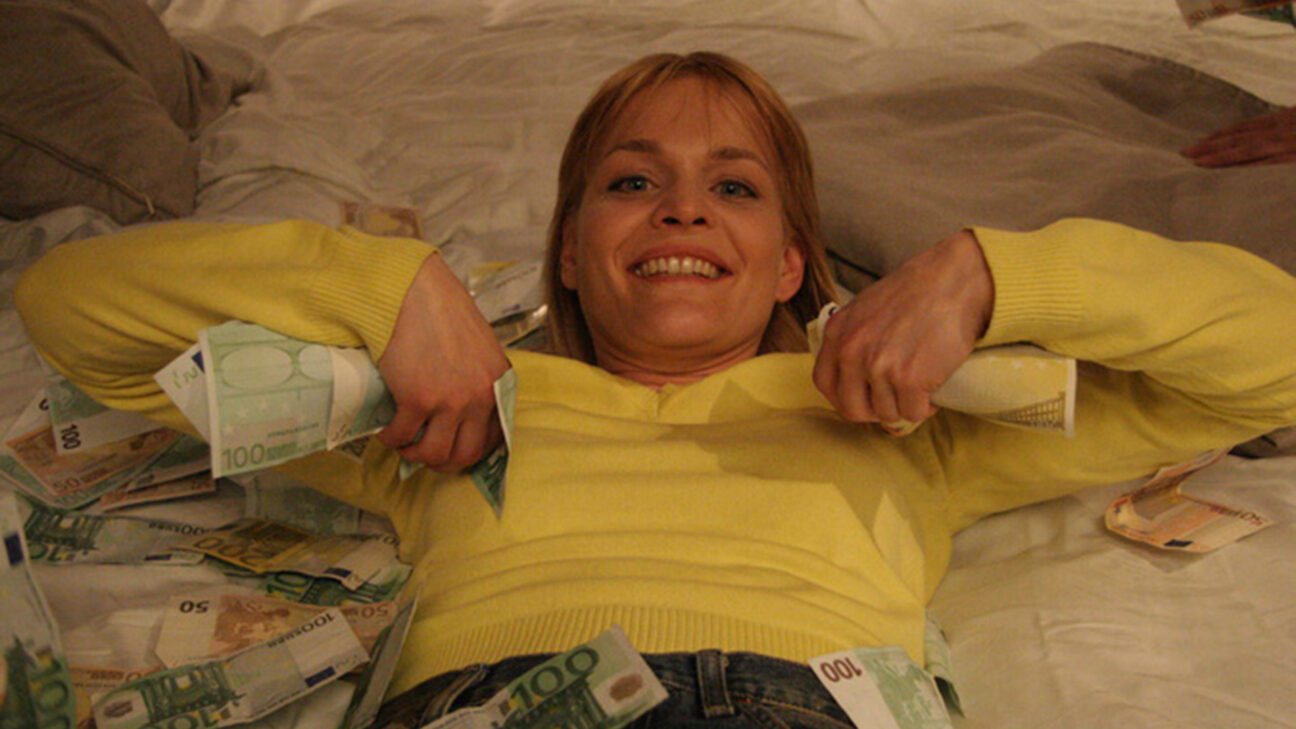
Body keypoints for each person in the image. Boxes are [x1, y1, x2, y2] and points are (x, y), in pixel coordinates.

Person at [14, 52, 1296, 729]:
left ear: (790, 262)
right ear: (572, 252)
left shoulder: (912, 420)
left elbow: (1273, 356)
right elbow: (76, 311)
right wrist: (391, 287)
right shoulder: (442, 413)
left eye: (734, 187)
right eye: (631, 182)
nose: (682, 206)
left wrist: (991, 274)